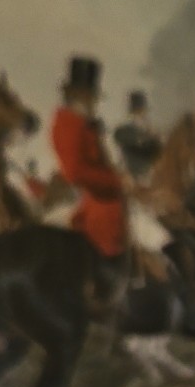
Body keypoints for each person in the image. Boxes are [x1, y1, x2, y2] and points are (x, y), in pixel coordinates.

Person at [51, 56, 127, 259]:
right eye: (89, 96)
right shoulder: (69, 122)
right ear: (76, 95)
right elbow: (74, 172)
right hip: (93, 201)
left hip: (101, 195)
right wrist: (118, 181)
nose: (93, 102)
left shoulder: (84, 122)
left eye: (93, 97)